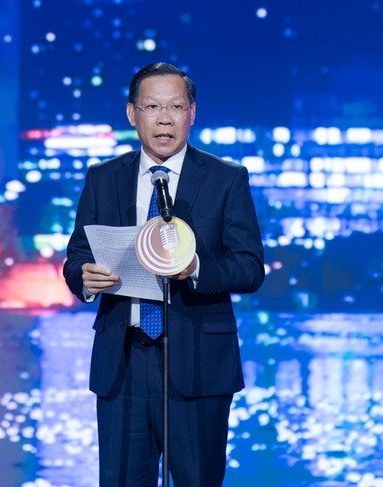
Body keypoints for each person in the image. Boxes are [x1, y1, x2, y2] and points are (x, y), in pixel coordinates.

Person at [63, 62, 265, 487]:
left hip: (197, 362)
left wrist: (195, 267)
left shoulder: (226, 179)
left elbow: (250, 267)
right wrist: (84, 277)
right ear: (132, 114)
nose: (164, 119)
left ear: (192, 113)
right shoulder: (103, 178)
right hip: (123, 363)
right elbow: (77, 255)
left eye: (175, 107)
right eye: (152, 107)